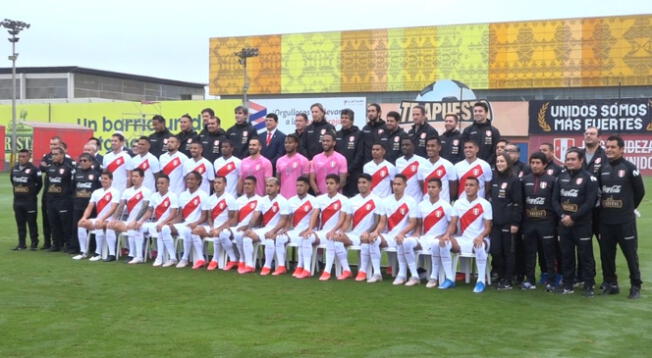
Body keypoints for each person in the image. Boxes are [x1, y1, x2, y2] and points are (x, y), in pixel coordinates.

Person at [598, 135, 645, 299]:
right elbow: (598, 192)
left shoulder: (630, 168)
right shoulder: (602, 168)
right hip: (606, 221)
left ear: (621, 149)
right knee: (606, 255)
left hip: (624, 221)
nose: (609, 150)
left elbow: (640, 192)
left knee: (630, 254)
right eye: (607, 147)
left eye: (613, 147)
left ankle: (635, 285)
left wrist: (628, 208)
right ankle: (611, 284)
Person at [552, 148, 598, 296]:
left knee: (585, 256)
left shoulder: (589, 178)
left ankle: (589, 285)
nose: (570, 162)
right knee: (566, 255)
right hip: (564, 224)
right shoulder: (561, 177)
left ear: (581, 161)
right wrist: (562, 216)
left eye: (573, 159)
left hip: (582, 224)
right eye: (568, 159)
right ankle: (568, 284)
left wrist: (573, 217)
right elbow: (554, 200)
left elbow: (590, 202)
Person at [441, 177, 493, 293]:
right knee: (444, 243)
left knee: (479, 245)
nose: (468, 188)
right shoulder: (458, 203)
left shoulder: (485, 204)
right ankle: (450, 278)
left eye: (471, 185)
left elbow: (488, 227)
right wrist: (447, 234)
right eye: (466, 185)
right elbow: (453, 224)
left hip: (481, 239)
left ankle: (480, 281)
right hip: (463, 240)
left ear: (478, 187)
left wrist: (480, 236)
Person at [302, 174, 351, 281]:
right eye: (327, 183)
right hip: (323, 232)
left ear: (337, 185)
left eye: (331, 183)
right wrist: (310, 229)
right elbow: (314, 214)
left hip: (336, 232)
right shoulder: (319, 199)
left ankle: (327, 271)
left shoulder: (344, 199)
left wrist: (334, 230)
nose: (328, 186)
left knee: (332, 238)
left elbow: (342, 219)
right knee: (306, 237)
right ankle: (306, 270)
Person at [521, 152, 558, 291]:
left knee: (549, 253)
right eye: (533, 163)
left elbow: (555, 203)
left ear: (544, 165)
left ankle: (551, 281)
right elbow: (522, 203)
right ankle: (530, 280)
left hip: (546, 223)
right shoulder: (524, 180)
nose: (535, 166)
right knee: (530, 253)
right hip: (529, 223)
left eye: (538, 163)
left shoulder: (552, 180)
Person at [242, 177, 291, 275]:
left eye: (271, 186)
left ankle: (268, 266)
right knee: (246, 237)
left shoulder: (283, 201)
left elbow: (283, 220)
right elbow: (255, 215)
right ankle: (249, 265)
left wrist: (273, 231)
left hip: (279, 229)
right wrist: (249, 228)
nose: (268, 188)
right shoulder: (262, 200)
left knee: (270, 239)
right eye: (267, 186)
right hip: (265, 229)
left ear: (278, 187)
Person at [343, 174, 385, 282]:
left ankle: (363, 271)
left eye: (364, 182)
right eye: (359, 182)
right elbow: (347, 221)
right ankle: (346, 270)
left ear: (371, 184)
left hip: (368, 234)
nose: (361, 185)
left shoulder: (377, 200)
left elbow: (377, 221)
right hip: (354, 234)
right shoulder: (351, 200)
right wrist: (340, 232)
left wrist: (367, 231)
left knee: (367, 238)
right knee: (336, 239)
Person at [489, 154, 522, 290]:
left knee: (508, 252)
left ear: (508, 163)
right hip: (495, 222)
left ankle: (508, 280)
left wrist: (515, 223)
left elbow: (518, 203)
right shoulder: (495, 178)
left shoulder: (514, 180)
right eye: (497, 161)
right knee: (496, 251)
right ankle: (501, 276)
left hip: (508, 223)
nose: (499, 163)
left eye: (502, 161)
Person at [106, 169, 152, 263]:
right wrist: (114, 219)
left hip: (141, 222)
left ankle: (132, 254)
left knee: (132, 228)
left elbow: (144, 207)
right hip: (129, 221)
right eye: (132, 176)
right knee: (110, 226)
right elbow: (121, 205)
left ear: (142, 178)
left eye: (136, 176)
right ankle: (112, 254)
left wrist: (136, 220)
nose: (134, 178)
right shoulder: (127, 191)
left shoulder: (146, 191)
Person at [191, 175, 237, 271]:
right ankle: (201, 259)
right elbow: (209, 217)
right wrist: (211, 227)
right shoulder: (210, 199)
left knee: (221, 234)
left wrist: (219, 229)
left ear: (225, 184)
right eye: (215, 183)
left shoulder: (230, 198)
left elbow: (232, 219)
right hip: (214, 227)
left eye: (219, 183)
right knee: (195, 231)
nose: (216, 185)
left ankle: (228, 259)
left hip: (227, 228)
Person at [380, 175, 419, 286]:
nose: (396, 187)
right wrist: (376, 232)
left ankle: (404, 275)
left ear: (405, 185)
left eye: (399, 184)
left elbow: (413, 223)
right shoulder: (386, 201)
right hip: (390, 235)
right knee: (373, 240)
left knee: (401, 241)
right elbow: (382, 222)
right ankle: (376, 273)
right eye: (394, 184)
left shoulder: (411, 201)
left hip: (406, 235)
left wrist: (401, 233)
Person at [415, 177, 453, 288]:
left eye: (434, 187)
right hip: (425, 238)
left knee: (436, 243)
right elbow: (419, 224)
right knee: (407, 242)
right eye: (429, 187)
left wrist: (445, 235)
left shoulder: (446, 206)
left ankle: (434, 277)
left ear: (440, 189)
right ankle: (415, 274)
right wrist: (417, 233)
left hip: (440, 239)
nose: (431, 189)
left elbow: (452, 225)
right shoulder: (421, 205)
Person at [168, 171, 210, 269]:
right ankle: (172, 258)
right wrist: (172, 222)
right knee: (166, 228)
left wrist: (195, 223)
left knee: (188, 229)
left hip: (199, 224)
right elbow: (180, 216)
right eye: (188, 179)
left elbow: (204, 216)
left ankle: (185, 258)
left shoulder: (203, 195)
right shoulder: (182, 195)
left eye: (192, 179)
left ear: (198, 181)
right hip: (185, 224)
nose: (189, 181)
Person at [75, 171, 120, 261]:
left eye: (106, 179)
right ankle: (83, 252)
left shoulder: (115, 192)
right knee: (81, 223)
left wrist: (103, 219)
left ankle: (99, 253)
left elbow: (113, 208)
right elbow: (89, 207)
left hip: (110, 220)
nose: (103, 180)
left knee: (99, 224)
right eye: (102, 178)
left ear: (111, 180)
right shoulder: (96, 192)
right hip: (99, 219)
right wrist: (84, 217)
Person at [280, 176, 316, 279]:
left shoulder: (313, 200)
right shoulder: (290, 201)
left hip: (309, 231)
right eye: (297, 185)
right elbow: (288, 219)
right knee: (279, 238)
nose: (299, 188)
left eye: (301, 185)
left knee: (304, 238)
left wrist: (308, 229)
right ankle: (281, 266)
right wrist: (286, 228)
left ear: (307, 187)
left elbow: (316, 219)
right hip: (294, 231)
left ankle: (303, 267)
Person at [141, 174, 180, 267]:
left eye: (162, 183)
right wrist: (140, 221)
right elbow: (149, 211)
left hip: (169, 223)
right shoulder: (154, 196)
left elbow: (173, 213)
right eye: (158, 183)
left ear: (168, 184)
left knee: (163, 229)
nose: (159, 185)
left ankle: (166, 258)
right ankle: (138, 255)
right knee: (139, 228)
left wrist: (163, 223)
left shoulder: (172, 196)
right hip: (158, 223)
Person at [44, 147, 76, 252]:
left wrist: (67, 196)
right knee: (53, 223)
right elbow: (47, 184)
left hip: (63, 200)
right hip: (51, 200)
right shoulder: (49, 168)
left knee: (65, 224)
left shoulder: (68, 168)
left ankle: (68, 244)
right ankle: (56, 244)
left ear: (62, 155)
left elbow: (72, 185)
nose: (54, 156)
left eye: (56, 154)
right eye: (52, 154)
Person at [227, 176, 261, 273]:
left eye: (249, 184)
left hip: (254, 228)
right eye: (245, 184)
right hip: (239, 226)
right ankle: (234, 259)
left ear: (255, 185)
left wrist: (247, 227)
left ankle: (243, 261)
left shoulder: (260, 200)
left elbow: (257, 219)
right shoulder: (239, 200)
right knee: (224, 234)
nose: (246, 186)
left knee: (241, 235)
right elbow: (234, 220)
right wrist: (228, 225)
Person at [10, 149, 42, 250]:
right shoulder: (14, 169)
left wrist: (32, 194)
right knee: (20, 223)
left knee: (32, 223)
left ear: (29, 157)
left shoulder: (34, 169)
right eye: (20, 156)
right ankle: (21, 244)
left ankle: (34, 243)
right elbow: (13, 181)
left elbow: (39, 184)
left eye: (24, 156)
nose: (21, 158)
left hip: (30, 201)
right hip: (17, 201)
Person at [72, 153, 101, 255]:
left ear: (91, 162)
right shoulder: (76, 173)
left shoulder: (96, 174)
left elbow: (99, 189)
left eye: (85, 161)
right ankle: (78, 248)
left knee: (91, 227)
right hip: (78, 204)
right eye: (81, 161)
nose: (82, 163)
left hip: (90, 206)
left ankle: (93, 248)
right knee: (77, 226)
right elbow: (73, 187)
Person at [335, 108, 364, 197]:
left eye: (346, 118)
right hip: (339, 173)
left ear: (352, 120)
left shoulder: (359, 134)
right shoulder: (337, 134)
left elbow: (360, 154)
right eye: (342, 117)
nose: (344, 120)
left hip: (353, 173)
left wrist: (348, 170)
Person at [419, 137, 457, 203]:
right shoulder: (421, 166)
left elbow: (453, 189)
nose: (429, 148)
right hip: (427, 205)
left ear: (439, 148)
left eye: (432, 146)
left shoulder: (448, 165)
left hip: (443, 206)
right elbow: (422, 187)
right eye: (428, 146)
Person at [276, 134, 310, 199]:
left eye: (290, 143)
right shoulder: (280, 160)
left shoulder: (303, 160)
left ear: (296, 144)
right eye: (286, 143)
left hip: (298, 198)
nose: (287, 145)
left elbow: (305, 182)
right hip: (282, 198)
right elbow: (278, 181)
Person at [396, 137, 427, 202]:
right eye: (403, 145)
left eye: (407, 145)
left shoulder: (422, 161)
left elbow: (424, 182)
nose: (404, 147)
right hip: (402, 200)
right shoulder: (398, 161)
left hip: (417, 200)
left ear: (413, 146)